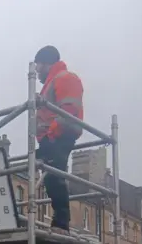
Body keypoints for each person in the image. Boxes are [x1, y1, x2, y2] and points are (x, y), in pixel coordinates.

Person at [34, 45, 84, 234]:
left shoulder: (64, 78)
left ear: (46, 63)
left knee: (55, 175)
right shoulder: (53, 81)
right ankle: (59, 221)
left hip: (59, 135)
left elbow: (69, 110)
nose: (37, 71)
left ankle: (62, 223)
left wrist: (51, 133)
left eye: (38, 66)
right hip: (52, 137)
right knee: (51, 177)